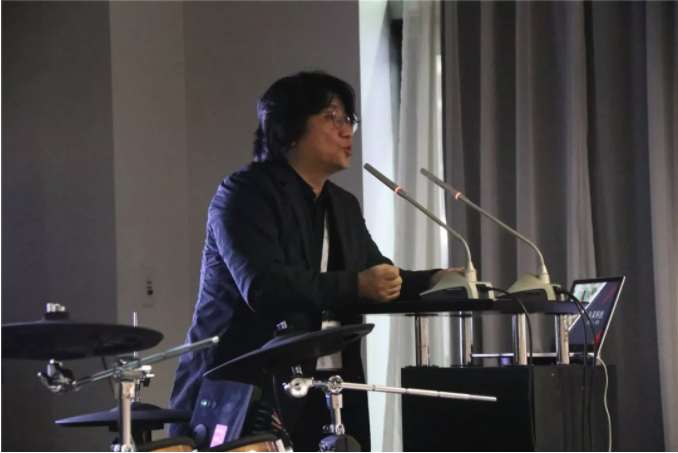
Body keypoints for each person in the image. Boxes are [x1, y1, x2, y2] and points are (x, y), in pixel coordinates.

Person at [169, 71, 460, 451]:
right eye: (332, 117)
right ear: (289, 129)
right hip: (243, 386)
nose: (347, 131)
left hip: (324, 387)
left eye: (349, 119)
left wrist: (437, 281)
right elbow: (264, 285)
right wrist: (356, 285)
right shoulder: (244, 193)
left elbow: (377, 275)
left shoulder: (342, 204)